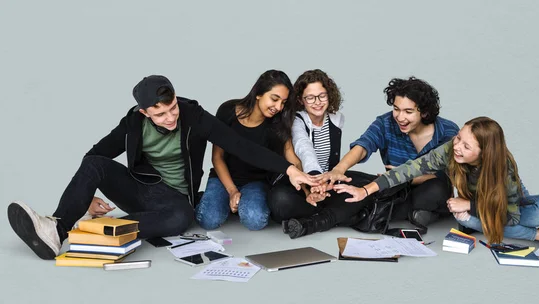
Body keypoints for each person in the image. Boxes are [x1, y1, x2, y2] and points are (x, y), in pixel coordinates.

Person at [7, 75, 317, 260]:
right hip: (139, 189)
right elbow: (95, 156)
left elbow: (242, 146)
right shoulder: (132, 123)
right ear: (144, 113)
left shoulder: (194, 116)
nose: (170, 118)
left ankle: (96, 233)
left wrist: (289, 169)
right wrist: (86, 196)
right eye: (160, 114)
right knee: (95, 164)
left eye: (172, 109)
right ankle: (57, 229)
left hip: (173, 199)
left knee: (180, 218)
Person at [333, 117, 539, 245]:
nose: (456, 147)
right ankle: (525, 229)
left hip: (508, 207)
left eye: (466, 146)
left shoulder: (503, 168)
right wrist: (365, 190)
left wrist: (470, 205)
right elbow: (408, 170)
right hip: (479, 208)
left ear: (484, 153)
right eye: (458, 138)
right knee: (463, 219)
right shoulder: (450, 150)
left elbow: (510, 217)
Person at [320, 76, 459, 228]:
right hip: (391, 187)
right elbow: (363, 145)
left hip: (425, 189)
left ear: (424, 113)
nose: (400, 117)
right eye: (396, 109)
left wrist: (406, 178)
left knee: (436, 188)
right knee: (346, 179)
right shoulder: (385, 123)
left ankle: (368, 211)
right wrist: (338, 170)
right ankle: (410, 213)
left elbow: (445, 174)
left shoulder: (447, 130)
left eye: (408, 111)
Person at [195, 70, 304, 231]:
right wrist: (232, 191)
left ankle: (239, 203)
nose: (278, 107)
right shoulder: (228, 110)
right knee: (209, 220)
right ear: (259, 93)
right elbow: (217, 157)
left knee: (255, 220)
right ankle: (213, 199)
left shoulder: (279, 122)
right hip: (223, 177)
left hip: (256, 182)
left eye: (283, 102)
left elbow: (291, 157)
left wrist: (307, 185)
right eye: (274, 99)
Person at [267, 69, 369, 238]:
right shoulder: (296, 120)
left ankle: (320, 217)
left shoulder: (336, 119)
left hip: (328, 183)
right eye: (310, 97)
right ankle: (344, 215)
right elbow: (303, 147)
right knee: (279, 200)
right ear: (301, 99)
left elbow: (334, 166)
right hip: (303, 185)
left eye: (322, 96)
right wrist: (314, 181)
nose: (317, 102)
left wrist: (325, 183)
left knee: (369, 183)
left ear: (329, 95)